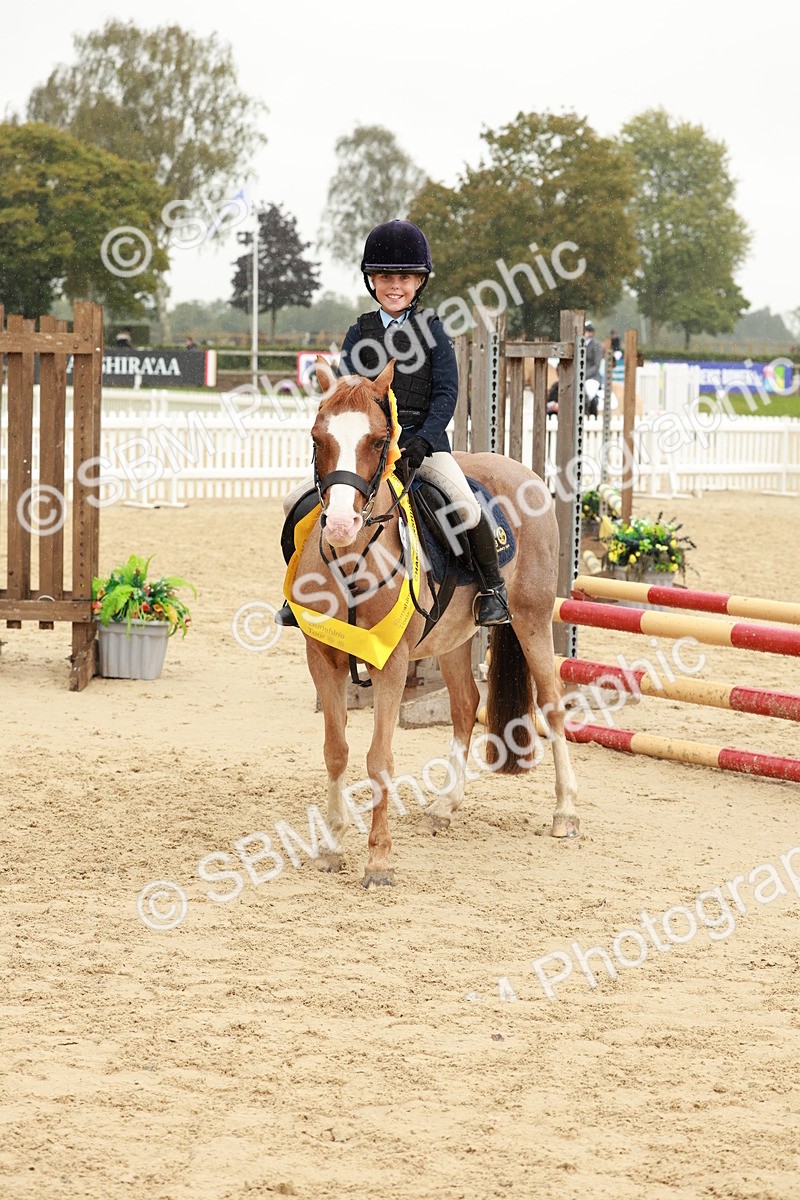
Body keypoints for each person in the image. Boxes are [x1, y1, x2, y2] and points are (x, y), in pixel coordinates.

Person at [274, 219, 511, 628]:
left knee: (466, 506)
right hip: (367, 452)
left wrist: (422, 441)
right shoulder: (359, 332)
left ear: (419, 282)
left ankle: (492, 590)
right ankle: (300, 590)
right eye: (385, 277)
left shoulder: (434, 330)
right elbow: (343, 396)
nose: (394, 285)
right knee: (296, 506)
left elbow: (445, 395)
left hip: (424, 447)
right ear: (372, 281)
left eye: (405, 277)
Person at [584, 320, 603, 417]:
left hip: (592, 377)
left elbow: (596, 365)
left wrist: (584, 375)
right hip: (580, 376)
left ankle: (588, 414)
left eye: (588, 331)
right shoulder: (580, 344)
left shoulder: (596, 345)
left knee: (589, 394)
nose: (586, 333)